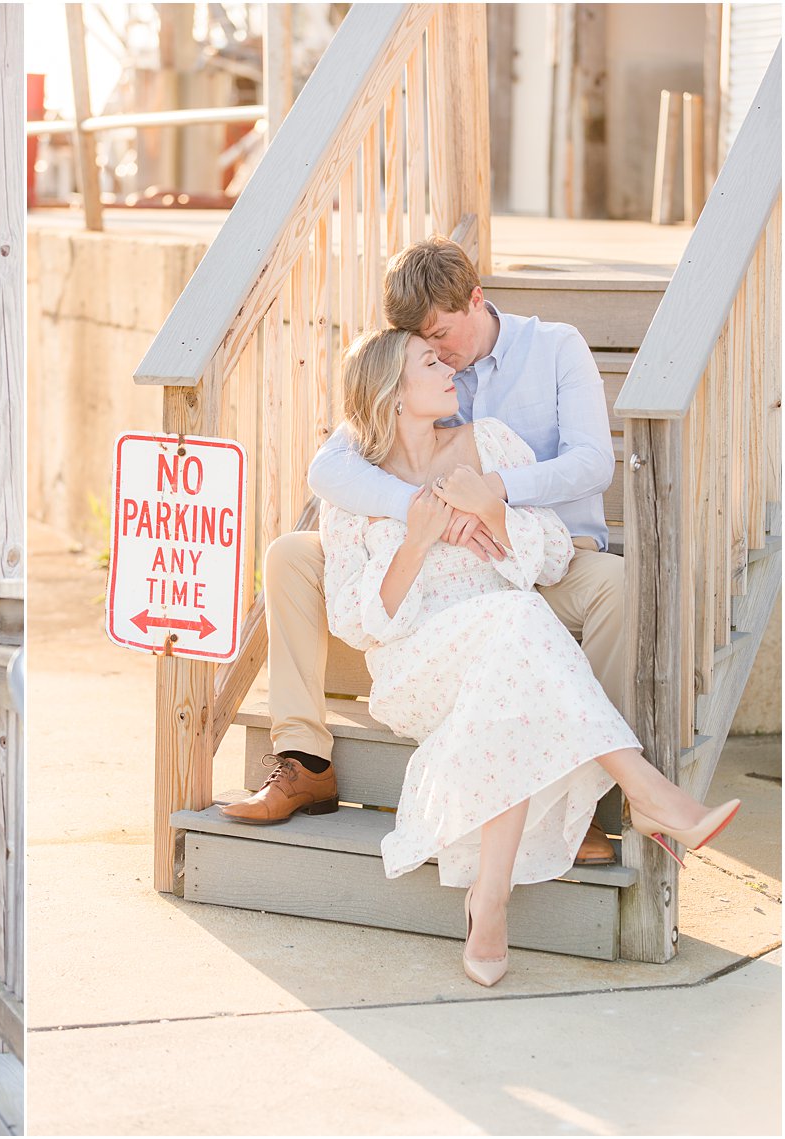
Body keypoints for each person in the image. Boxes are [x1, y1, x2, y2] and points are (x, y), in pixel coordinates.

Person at [316, 328, 739, 986]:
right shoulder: (356, 493)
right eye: (430, 361)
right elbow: (351, 622)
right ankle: (647, 789)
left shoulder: (489, 444)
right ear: (395, 396)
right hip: (416, 664)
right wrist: (415, 543)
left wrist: (496, 510)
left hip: (504, 647)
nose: (447, 363)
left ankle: (490, 900)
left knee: (511, 654)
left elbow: (554, 551)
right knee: (518, 626)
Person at [224, 236, 624, 867]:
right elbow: (330, 468)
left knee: (618, 588)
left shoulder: (555, 347)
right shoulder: (419, 367)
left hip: (547, 555)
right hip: (440, 569)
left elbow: (592, 464)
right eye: (422, 344)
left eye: (442, 335)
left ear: (477, 299)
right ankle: (304, 759)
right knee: (291, 557)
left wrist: (493, 495)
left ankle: (577, 796)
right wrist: (427, 513)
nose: (437, 354)